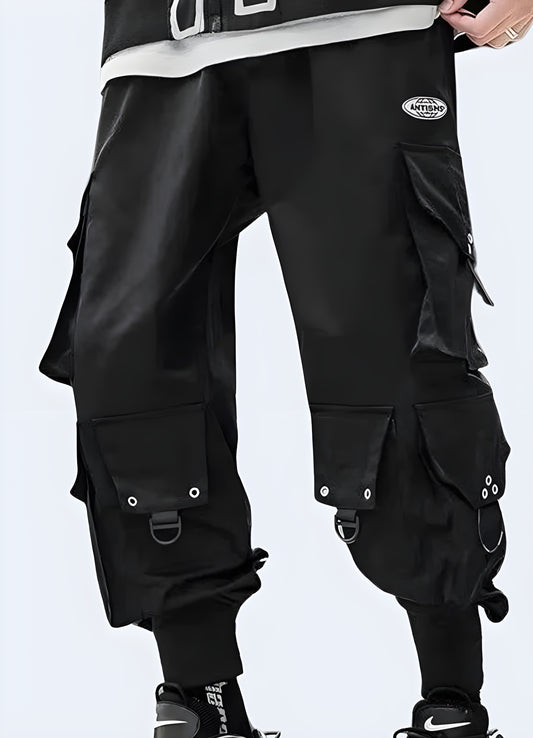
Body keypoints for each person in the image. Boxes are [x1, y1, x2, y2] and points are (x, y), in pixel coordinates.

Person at [39, 0, 532, 735]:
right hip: (157, 41)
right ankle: (200, 701)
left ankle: (450, 702)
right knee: (133, 366)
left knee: (395, 352)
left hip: (356, 23)